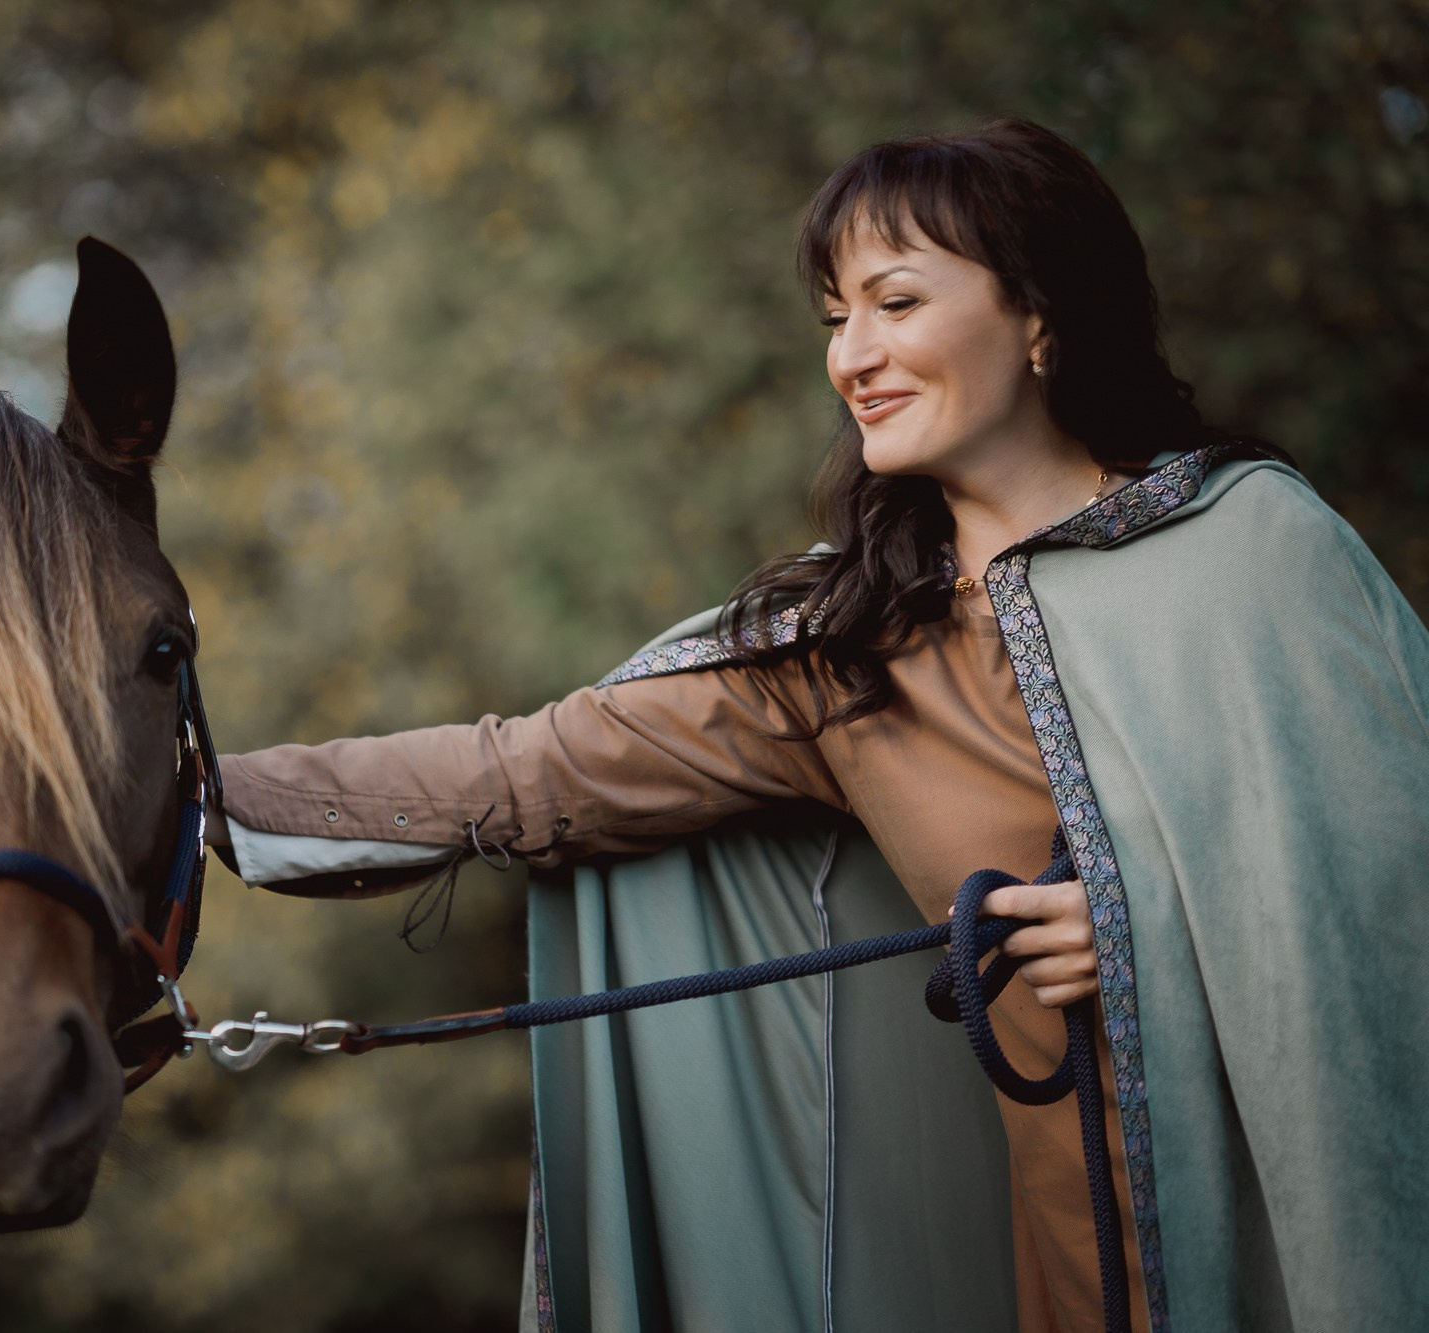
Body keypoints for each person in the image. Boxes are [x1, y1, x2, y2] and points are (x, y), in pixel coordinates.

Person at [204, 119, 1429, 1333]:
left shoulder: (1261, 549)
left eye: (894, 302)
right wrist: (176, 791)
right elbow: (531, 770)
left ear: (1039, 317)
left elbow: (1394, 882)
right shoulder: (846, 651)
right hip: (1063, 1274)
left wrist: (1143, 921)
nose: (852, 356)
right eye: (835, 316)